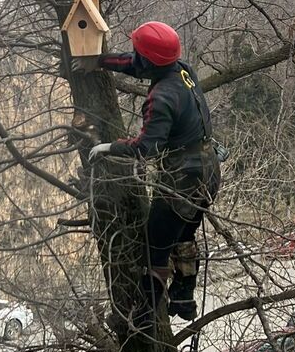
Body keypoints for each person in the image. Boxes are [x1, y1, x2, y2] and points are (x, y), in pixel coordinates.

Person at [72, 21, 221, 330]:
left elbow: (146, 147)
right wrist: (99, 61)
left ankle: (143, 318)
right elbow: (135, 63)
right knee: (184, 235)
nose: (136, 57)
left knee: (154, 248)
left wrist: (107, 147)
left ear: (150, 59)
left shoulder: (162, 97)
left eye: (140, 52)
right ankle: (184, 299)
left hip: (183, 178)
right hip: (209, 169)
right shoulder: (183, 71)